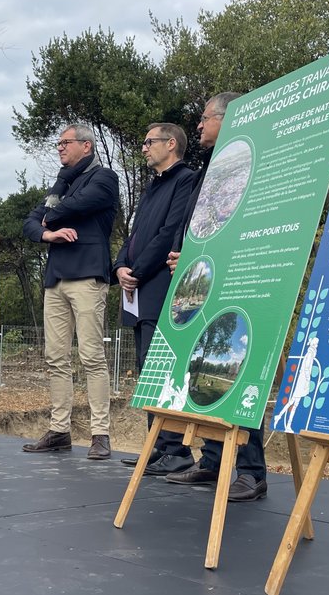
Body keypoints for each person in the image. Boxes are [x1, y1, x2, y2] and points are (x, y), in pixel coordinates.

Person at [163, 93, 269, 502]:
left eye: (205, 118)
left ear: (229, 118)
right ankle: (211, 460)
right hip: (202, 280)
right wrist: (184, 257)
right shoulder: (212, 168)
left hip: (239, 279)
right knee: (206, 364)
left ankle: (251, 470)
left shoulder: (249, 163)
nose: (199, 126)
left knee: (238, 367)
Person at [21, 124, 118, 460]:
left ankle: (100, 434)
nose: (59, 148)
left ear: (86, 146)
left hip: (88, 274)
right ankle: (60, 429)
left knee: (92, 355)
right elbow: (30, 223)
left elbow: (75, 206)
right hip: (56, 278)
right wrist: (47, 234)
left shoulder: (104, 177)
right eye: (58, 143)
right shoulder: (60, 183)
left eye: (66, 142)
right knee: (56, 357)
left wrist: (51, 213)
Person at [114, 123, 198, 475]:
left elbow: (169, 233)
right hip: (138, 289)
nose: (144, 148)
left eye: (149, 142)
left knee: (163, 367)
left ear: (171, 143)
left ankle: (175, 451)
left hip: (159, 285)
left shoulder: (186, 179)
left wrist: (138, 271)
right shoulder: (152, 186)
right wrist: (119, 265)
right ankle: (155, 447)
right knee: (148, 369)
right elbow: (135, 235)